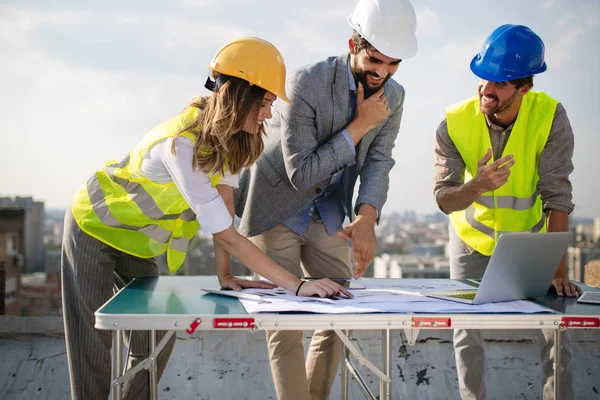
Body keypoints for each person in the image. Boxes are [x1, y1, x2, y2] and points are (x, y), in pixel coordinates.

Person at [61, 37, 351, 400]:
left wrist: (225, 275)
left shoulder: (230, 142)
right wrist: (297, 285)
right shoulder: (181, 145)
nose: (267, 114)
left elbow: (225, 213)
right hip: (95, 227)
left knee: (156, 339)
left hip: (135, 242)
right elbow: (228, 234)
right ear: (239, 95)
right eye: (263, 103)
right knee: (93, 345)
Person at [233, 1, 418, 398]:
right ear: (353, 43)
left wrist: (367, 218)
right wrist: (359, 126)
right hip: (276, 204)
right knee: (286, 322)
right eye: (374, 59)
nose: (382, 73)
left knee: (341, 314)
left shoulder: (395, 97)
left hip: (330, 209)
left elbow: (380, 161)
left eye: (393, 64)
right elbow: (301, 174)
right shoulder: (308, 82)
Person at [433, 24, 582, 400]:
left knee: (554, 326)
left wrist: (557, 270)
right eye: (484, 77)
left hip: (528, 241)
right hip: (470, 244)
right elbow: (443, 198)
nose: (486, 88)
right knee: (467, 335)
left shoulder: (550, 116)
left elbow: (557, 197)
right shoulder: (453, 121)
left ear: (524, 87)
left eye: (499, 83)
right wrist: (476, 186)